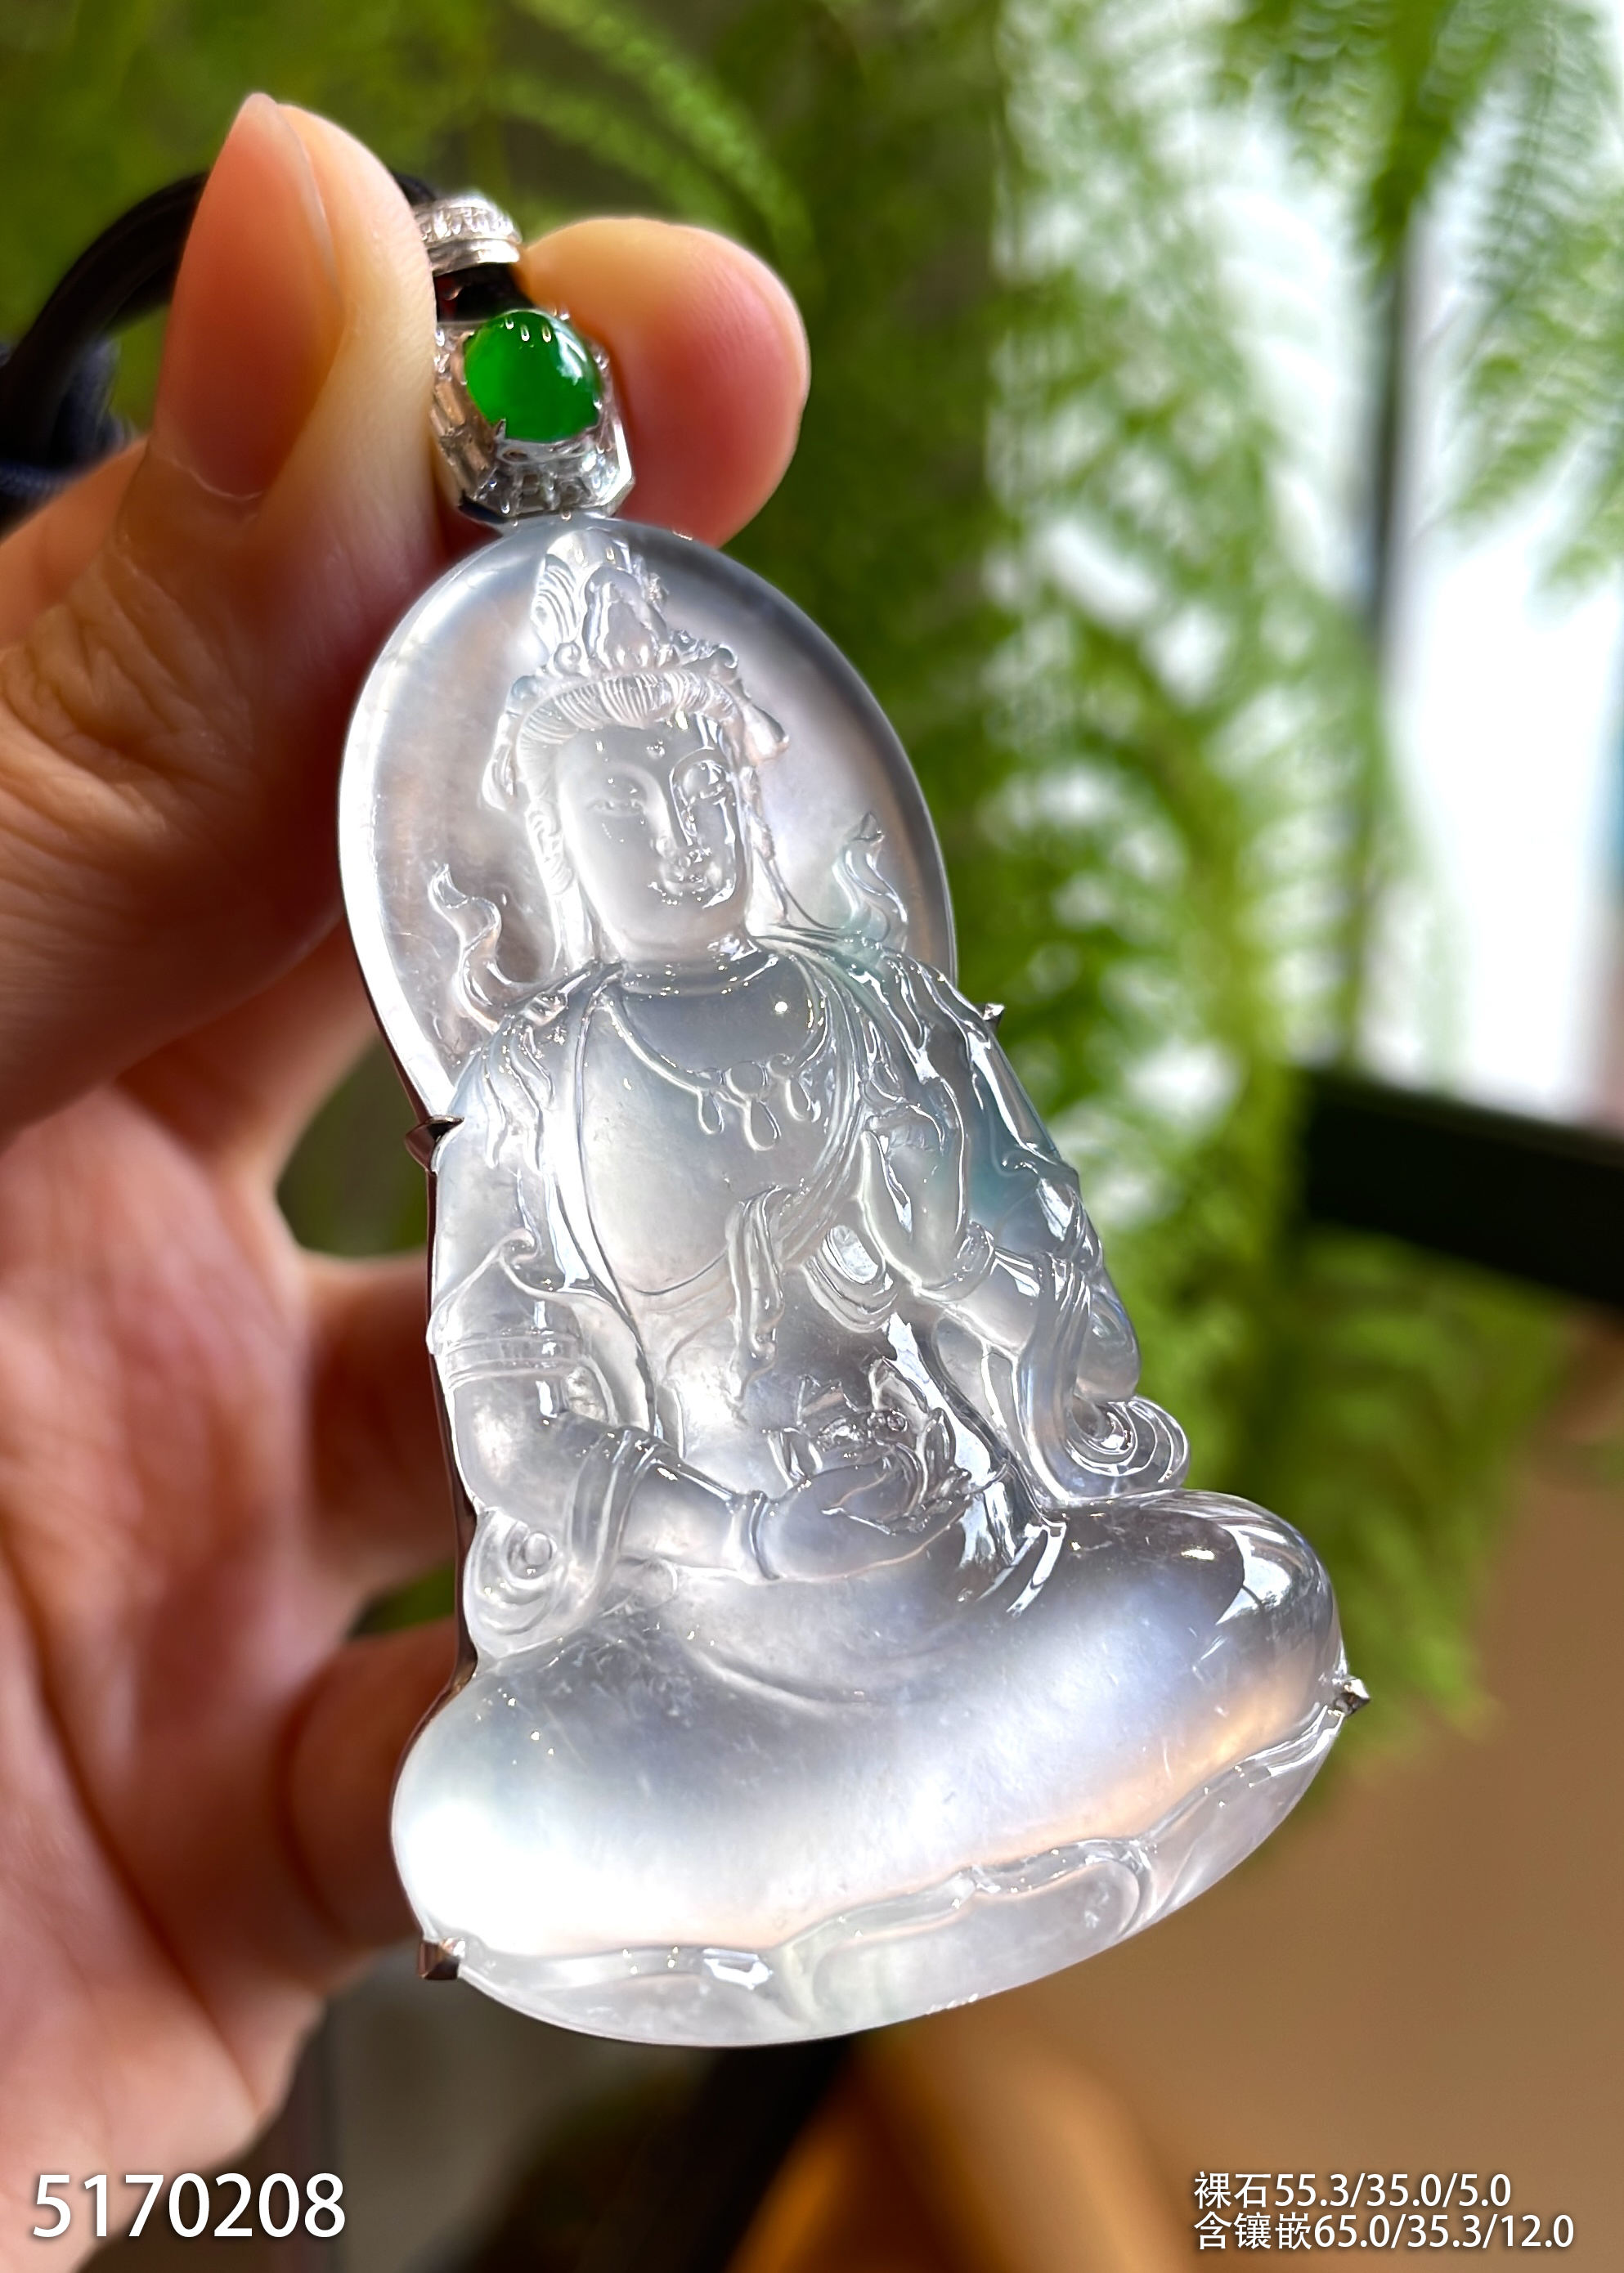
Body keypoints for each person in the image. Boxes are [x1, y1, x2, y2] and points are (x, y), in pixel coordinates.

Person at [0, 95, 811, 2251]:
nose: (685, 832)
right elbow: (527, 1410)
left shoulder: (819, 1021)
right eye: (631, 793)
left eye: (701, 788)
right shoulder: (541, 1091)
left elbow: (995, 1324)